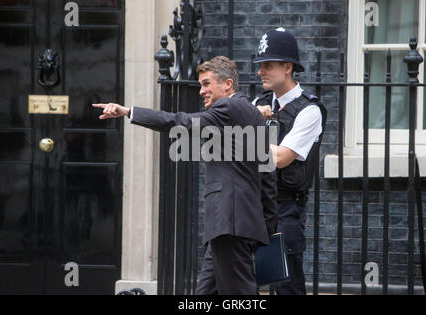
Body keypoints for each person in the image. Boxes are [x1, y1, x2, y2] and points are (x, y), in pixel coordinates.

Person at [93, 56, 278, 295]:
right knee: (204, 294)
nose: (202, 91)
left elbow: (181, 122)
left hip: (229, 222)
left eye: (207, 84)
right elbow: (268, 173)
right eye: (201, 84)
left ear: (228, 84)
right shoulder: (253, 114)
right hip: (237, 223)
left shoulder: (228, 107)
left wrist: (128, 111)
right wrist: (268, 226)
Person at [252, 28, 327, 295]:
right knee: (249, 282)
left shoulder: (309, 110)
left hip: (285, 208)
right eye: (260, 65)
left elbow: (282, 158)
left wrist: (245, 142)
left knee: (286, 287)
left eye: (268, 65)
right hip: (256, 205)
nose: (260, 71)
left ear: (287, 67)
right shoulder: (258, 103)